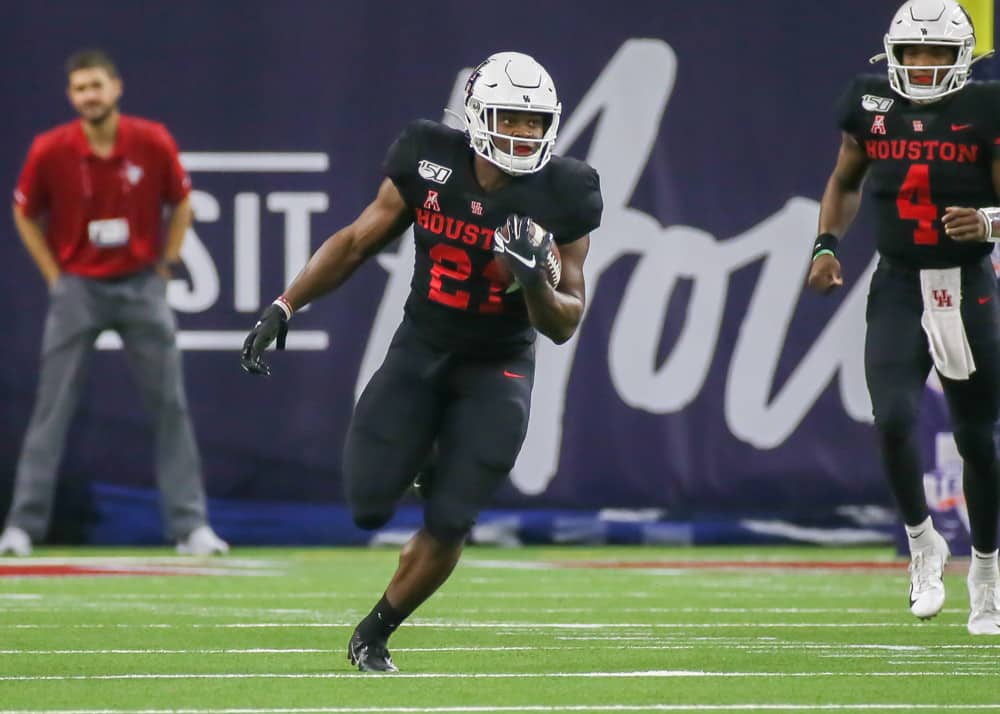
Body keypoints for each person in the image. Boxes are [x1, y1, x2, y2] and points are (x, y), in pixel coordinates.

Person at [241, 51, 603, 671]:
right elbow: (359, 240)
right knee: (368, 504)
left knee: (453, 515)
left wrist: (533, 283)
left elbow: (566, 321)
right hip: (424, 345)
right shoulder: (427, 155)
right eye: (511, 118)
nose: (523, 133)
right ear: (479, 115)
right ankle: (430, 452)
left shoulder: (566, 190)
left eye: (534, 121)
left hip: (500, 363)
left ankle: (374, 632)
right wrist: (285, 303)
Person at [809, 0, 1000, 634]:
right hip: (896, 281)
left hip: (965, 284)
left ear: (961, 60)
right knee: (891, 416)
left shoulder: (983, 109)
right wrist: (827, 246)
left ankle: (987, 574)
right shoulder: (870, 104)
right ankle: (923, 544)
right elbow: (845, 179)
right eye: (911, 52)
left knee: (977, 437)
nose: (921, 65)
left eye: (936, 53)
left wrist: (990, 221)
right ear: (890, 56)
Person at [0, 49, 228, 557]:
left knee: (170, 404)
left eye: (96, 86)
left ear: (116, 88)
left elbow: (183, 201)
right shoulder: (49, 148)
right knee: (50, 409)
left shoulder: (151, 140)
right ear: (71, 97)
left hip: (142, 286)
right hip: (77, 288)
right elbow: (24, 213)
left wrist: (166, 263)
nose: (90, 96)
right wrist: (55, 276)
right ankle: (22, 527)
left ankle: (191, 527)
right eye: (80, 89)